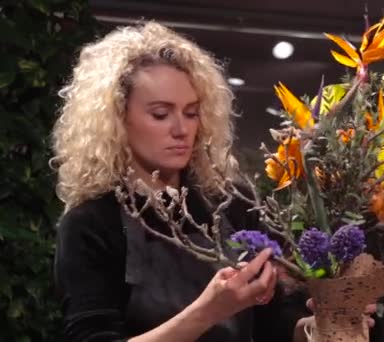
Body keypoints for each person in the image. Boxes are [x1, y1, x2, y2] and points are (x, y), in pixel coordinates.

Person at [51, 21, 316, 342]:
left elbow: (274, 323)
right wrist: (208, 312)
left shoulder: (233, 204)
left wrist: (318, 327)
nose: (181, 129)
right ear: (117, 119)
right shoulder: (92, 223)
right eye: (161, 114)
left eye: (191, 113)